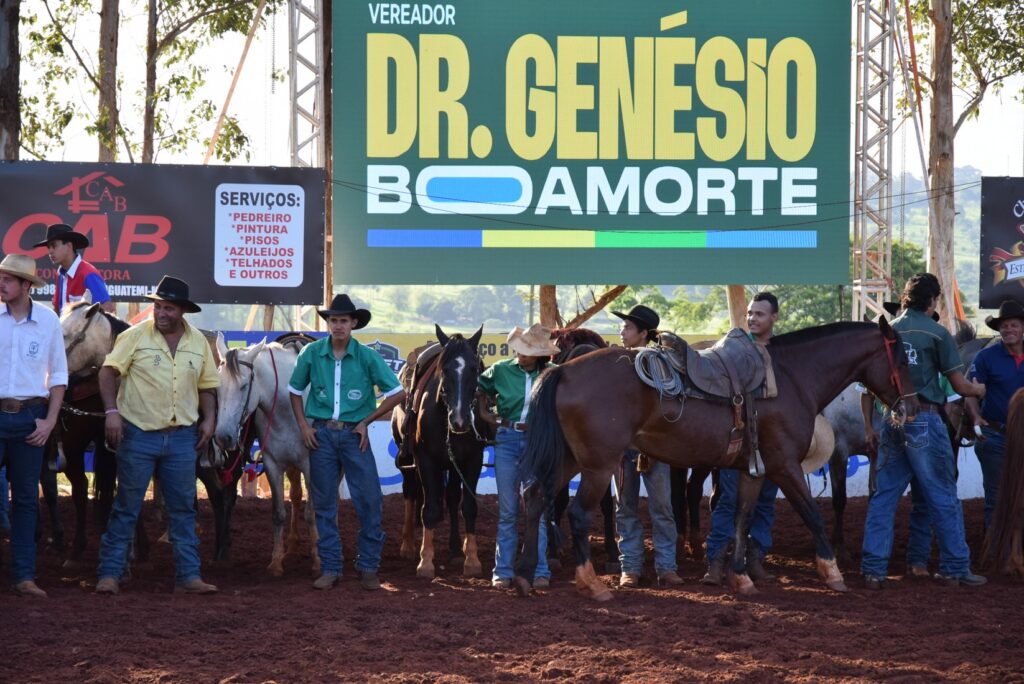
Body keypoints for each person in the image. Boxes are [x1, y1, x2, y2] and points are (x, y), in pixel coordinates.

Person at [861, 273, 987, 589]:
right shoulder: (936, 333)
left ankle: (873, 569)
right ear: (932, 302)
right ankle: (955, 567)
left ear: (904, 299)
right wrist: (980, 390)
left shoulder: (887, 333)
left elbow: (870, 386)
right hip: (926, 418)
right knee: (942, 494)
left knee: (884, 496)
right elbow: (958, 386)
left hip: (892, 419)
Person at [95, 276, 219, 595]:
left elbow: (207, 386)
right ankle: (109, 573)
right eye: (158, 306)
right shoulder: (135, 336)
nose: (161, 312)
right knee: (127, 505)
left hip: (182, 437)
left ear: (182, 311)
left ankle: (189, 576)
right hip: (138, 433)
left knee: (183, 508)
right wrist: (111, 413)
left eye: (168, 308)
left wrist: (209, 420)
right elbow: (108, 371)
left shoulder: (198, 343)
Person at [289, 294, 406, 591]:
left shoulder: (367, 356)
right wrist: (304, 426)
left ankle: (367, 566)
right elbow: (293, 390)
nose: (337, 325)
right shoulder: (312, 353)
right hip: (322, 435)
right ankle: (331, 567)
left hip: (356, 434)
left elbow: (398, 392)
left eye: (343, 320)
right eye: (332, 320)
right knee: (324, 502)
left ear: (353, 323)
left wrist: (367, 420)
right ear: (327, 323)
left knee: (369, 500)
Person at [0, 254, 68, 597]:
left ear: (27, 286)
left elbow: (58, 376)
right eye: (2, 277)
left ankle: (24, 576)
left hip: (31, 418)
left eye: (9, 279)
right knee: (22, 500)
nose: (2, 284)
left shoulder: (48, 321)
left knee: (26, 499)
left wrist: (50, 420)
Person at [702, 291, 781, 586]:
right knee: (728, 500)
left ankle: (755, 558)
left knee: (765, 501)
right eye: (749, 313)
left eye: (759, 314)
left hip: (771, 441)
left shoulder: (781, 352)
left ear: (774, 317)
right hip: (736, 441)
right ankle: (715, 561)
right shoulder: (734, 350)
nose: (752, 318)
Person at [478, 324, 558, 590]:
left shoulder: (552, 374)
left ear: (540, 355)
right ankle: (503, 570)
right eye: (520, 350)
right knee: (509, 510)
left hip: (537, 441)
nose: (521, 355)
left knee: (537, 509)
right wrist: (484, 412)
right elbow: (478, 387)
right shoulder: (500, 369)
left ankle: (539, 569)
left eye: (528, 351)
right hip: (507, 438)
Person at [609, 305, 683, 588]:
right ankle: (632, 567)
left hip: (654, 445)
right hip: (628, 446)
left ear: (643, 334)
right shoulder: (616, 362)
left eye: (627, 327)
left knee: (661, 506)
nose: (621, 331)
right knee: (625, 506)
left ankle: (664, 566)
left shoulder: (662, 363)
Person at [966, 300, 1024, 530]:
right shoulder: (985, 358)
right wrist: (975, 417)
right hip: (995, 434)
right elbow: (971, 392)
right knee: (996, 497)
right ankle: (996, 551)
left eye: (1013, 325)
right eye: (1004, 326)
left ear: (1022, 328)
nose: (1008, 330)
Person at [33, 223, 114, 315]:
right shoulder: (60, 274)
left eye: (54, 245)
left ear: (69, 246)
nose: (50, 251)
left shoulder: (88, 274)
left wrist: (84, 327)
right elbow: (57, 309)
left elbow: (107, 308)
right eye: (49, 247)